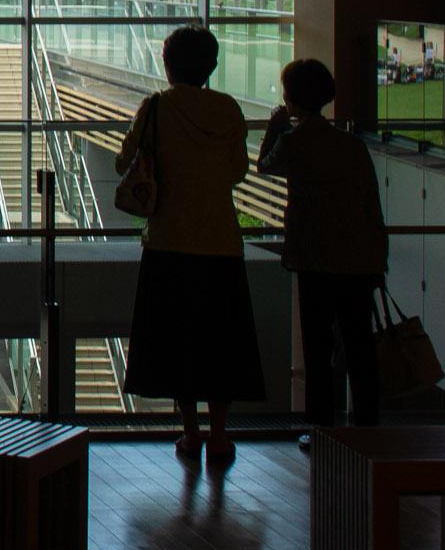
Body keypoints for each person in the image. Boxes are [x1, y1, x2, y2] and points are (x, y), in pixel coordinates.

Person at [117, 24, 261, 461]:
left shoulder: (156, 108)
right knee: (221, 341)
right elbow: (237, 171)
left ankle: (191, 431)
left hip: (168, 240)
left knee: (177, 340)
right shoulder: (229, 109)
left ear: (167, 64)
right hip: (220, 241)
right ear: (212, 66)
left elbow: (125, 160)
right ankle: (220, 434)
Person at [257, 58, 387, 442]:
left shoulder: (295, 144)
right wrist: (378, 257)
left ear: (292, 101)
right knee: (359, 343)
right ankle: (367, 424)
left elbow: (265, 165)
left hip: (316, 258)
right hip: (358, 260)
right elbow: (370, 207)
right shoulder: (351, 146)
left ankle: (322, 426)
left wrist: (275, 126)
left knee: (318, 347)